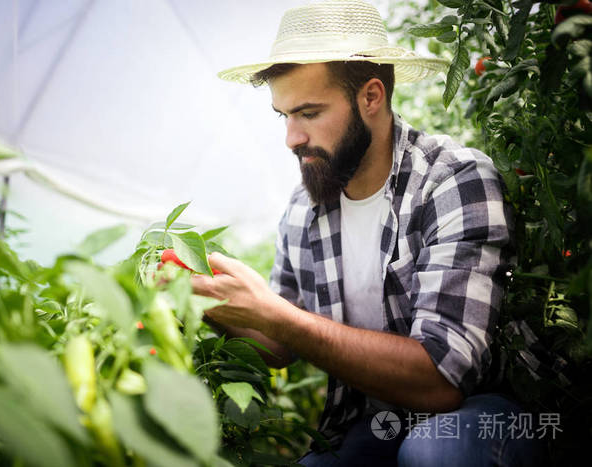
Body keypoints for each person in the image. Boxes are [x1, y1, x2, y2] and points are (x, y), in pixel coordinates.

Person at [191, 1, 546, 465]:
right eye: (284, 116)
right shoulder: (304, 210)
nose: (291, 138)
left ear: (371, 97)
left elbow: (443, 379)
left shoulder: (452, 181)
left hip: (481, 412)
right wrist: (212, 302)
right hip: (380, 421)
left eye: (309, 113)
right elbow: (280, 346)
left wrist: (276, 315)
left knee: (437, 452)